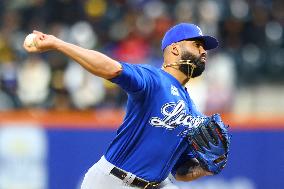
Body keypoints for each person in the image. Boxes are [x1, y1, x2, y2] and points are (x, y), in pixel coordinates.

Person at [23, 23, 219, 189]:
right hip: (113, 181)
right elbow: (112, 68)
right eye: (197, 45)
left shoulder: (194, 112)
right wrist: (57, 43)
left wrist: (205, 168)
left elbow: (180, 170)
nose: (203, 51)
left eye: (204, 47)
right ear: (175, 49)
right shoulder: (153, 80)